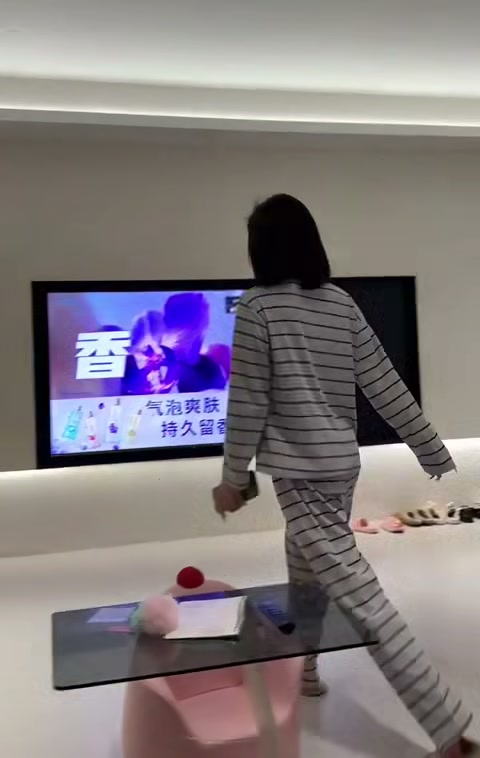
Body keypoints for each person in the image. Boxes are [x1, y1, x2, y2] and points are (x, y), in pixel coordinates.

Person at [213, 194, 476, 758]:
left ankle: (450, 729)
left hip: (298, 472)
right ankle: (306, 671)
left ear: (261, 251)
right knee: (305, 571)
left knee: (364, 599)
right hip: (339, 466)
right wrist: (430, 448)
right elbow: (384, 382)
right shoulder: (340, 303)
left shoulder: (257, 308)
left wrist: (233, 478)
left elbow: (248, 400)